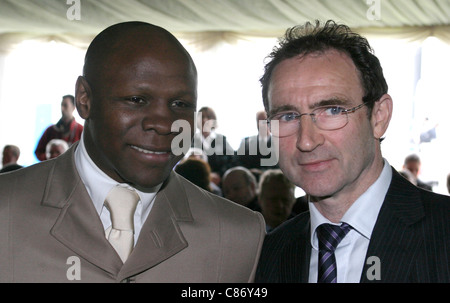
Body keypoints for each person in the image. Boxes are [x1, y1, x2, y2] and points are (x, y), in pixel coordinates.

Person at [0, 21, 265, 282]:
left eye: (180, 103)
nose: (163, 124)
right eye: (137, 100)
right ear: (84, 99)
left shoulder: (238, 236)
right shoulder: (6, 211)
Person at [255, 20, 450, 283]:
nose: (307, 141)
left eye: (333, 110)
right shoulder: (270, 253)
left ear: (378, 117)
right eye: (287, 116)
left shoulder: (444, 232)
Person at [34, 95, 83, 161]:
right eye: (61, 105)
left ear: (74, 107)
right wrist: (50, 158)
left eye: (65, 105)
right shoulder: (50, 130)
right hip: (51, 169)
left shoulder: (81, 130)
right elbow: (38, 152)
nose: (62, 108)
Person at [192, 106, 235, 177]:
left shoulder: (221, 139)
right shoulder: (191, 140)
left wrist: (219, 175)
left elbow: (232, 161)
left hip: (219, 181)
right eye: (202, 117)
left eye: (208, 117)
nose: (204, 120)